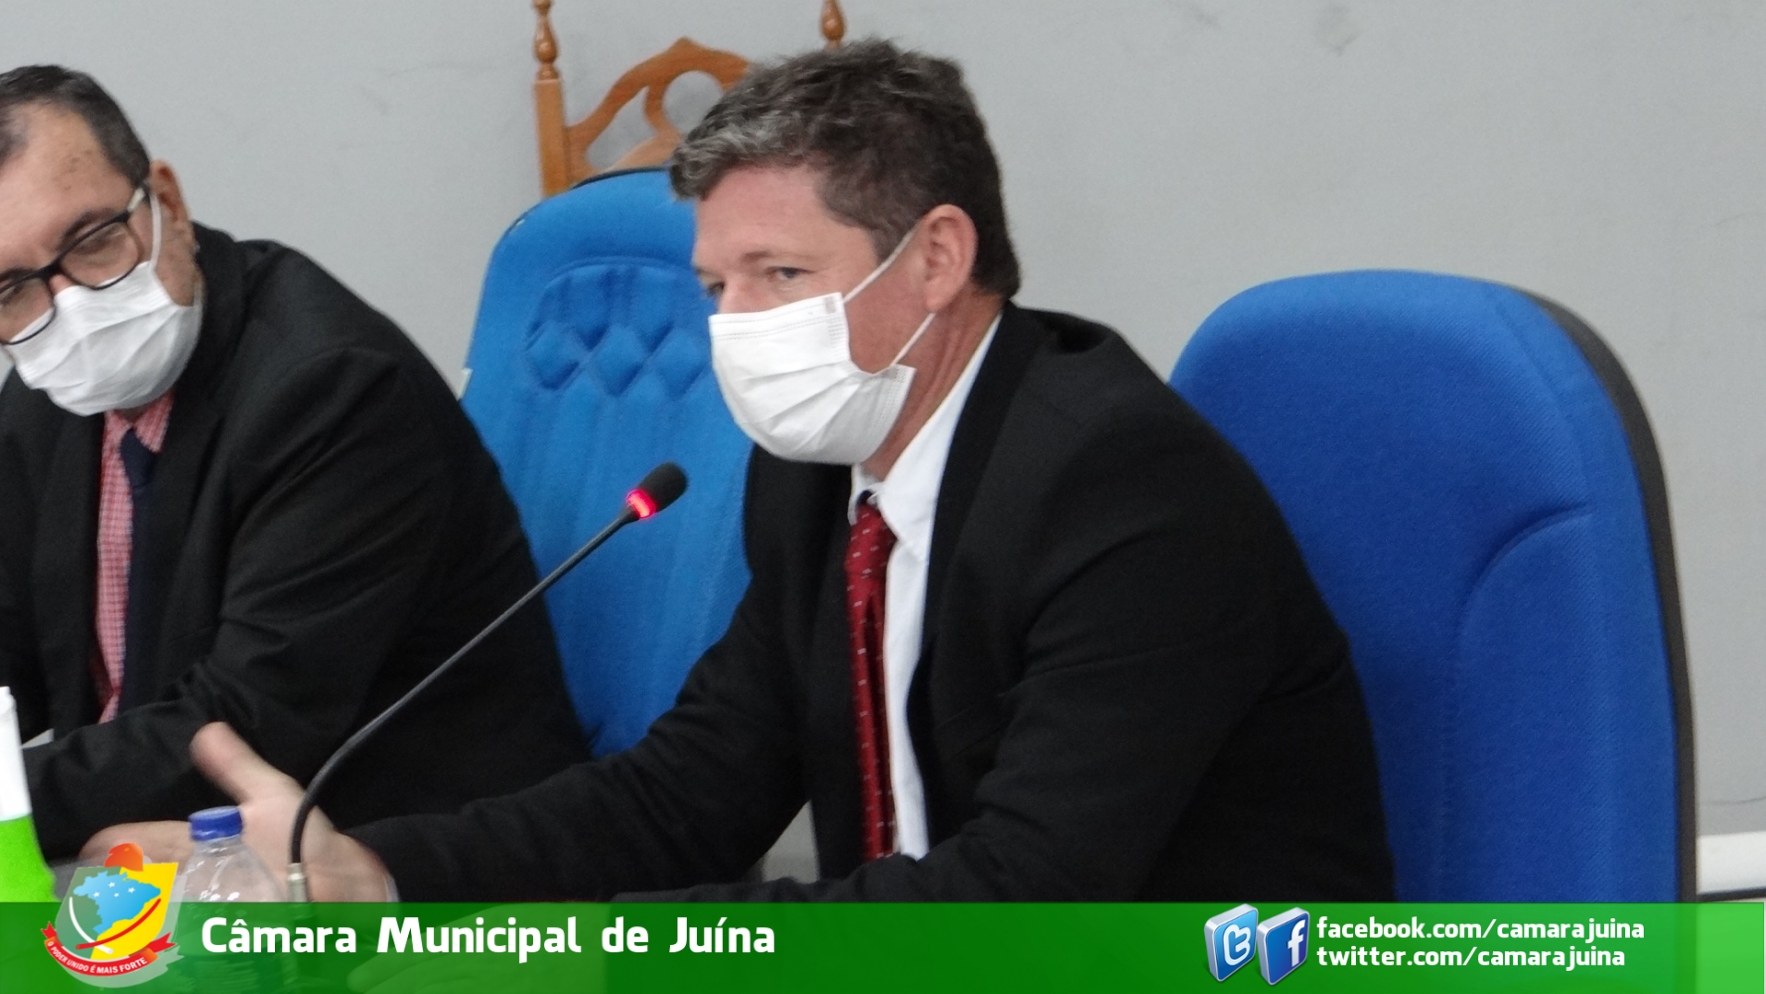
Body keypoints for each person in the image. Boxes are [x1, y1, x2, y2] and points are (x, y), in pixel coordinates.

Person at [110, 40, 1394, 900]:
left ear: (936, 258)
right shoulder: (820, 471)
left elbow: (1025, 890)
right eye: (716, 287)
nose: (736, 328)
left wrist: (654, 950)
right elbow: (685, 794)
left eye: (780, 275)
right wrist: (377, 868)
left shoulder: (1121, 488)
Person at [0, 66, 589, 858]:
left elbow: (246, 723)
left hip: (397, 864)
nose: (69, 305)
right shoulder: (46, 393)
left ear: (167, 203)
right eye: (12, 287)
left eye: (94, 241)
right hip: (159, 852)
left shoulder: (331, 389)